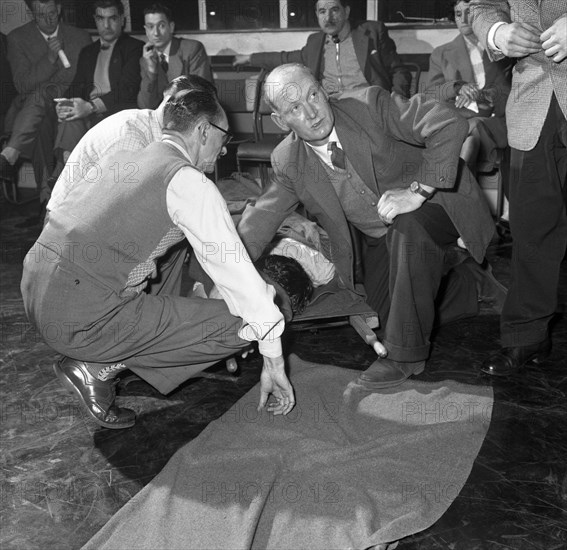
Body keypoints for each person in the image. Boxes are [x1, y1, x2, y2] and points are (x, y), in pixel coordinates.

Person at [21, 87, 295, 430]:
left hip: (34, 287)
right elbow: (242, 283)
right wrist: (273, 358)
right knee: (252, 319)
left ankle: (117, 350)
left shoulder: (124, 154)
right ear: (203, 130)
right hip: (79, 319)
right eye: (223, 138)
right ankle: (95, 366)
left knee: (170, 255)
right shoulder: (188, 182)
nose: (224, 148)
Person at [238, 63, 504, 388]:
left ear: (324, 90)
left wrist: (417, 191)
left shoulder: (369, 105)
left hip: (439, 203)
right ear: (281, 121)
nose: (312, 112)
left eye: (313, 95)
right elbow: (260, 221)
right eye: (295, 108)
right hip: (380, 235)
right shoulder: (287, 159)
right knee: (382, 317)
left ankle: (405, 358)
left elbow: (449, 122)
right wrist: (222, 271)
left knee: (409, 226)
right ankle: (471, 287)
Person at [470, 1, 567, 376]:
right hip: (532, 106)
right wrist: (497, 31)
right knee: (531, 230)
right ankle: (527, 336)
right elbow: (483, 5)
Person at [0, 0, 91, 217]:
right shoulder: (17, 38)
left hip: (66, 104)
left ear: (59, 9)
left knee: (42, 110)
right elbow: (22, 85)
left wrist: (55, 91)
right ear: (32, 13)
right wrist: (49, 58)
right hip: (31, 108)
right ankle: (51, 198)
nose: (49, 20)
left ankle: (14, 158)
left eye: (51, 13)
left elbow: (81, 79)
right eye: (41, 16)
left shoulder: (81, 37)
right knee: (39, 109)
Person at [233, 0, 411, 98]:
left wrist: (397, 99)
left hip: (369, 104)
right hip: (331, 108)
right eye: (322, 11)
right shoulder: (315, 42)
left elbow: (399, 71)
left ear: (346, 11)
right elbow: (285, 58)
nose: (328, 17)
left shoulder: (372, 32)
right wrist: (250, 58)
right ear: (317, 15)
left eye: (334, 10)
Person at [53, 0, 143, 172]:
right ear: (95, 20)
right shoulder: (88, 52)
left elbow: (127, 91)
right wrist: (63, 104)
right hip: (89, 116)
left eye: (112, 18)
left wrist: (91, 107)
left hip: (118, 115)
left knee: (74, 122)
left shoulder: (135, 48)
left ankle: (62, 178)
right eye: (101, 19)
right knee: (69, 118)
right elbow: (76, 87)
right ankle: (68, 173)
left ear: (122, 19)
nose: (106, 25)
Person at [425, 0, 513, 175]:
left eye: (469, 12)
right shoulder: (441, 54)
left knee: (469, 129)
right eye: (458, 14)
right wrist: (457, 88)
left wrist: (479, 96)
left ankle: (456, 179)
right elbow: (431, 94)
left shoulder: (502, 51)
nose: (464, 19)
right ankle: (457, 177)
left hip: (495, 122)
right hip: (456, 118)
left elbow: (507, 94)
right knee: (459, 130)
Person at [138, 2, 213, 109]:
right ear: (146, 30)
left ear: (171, 27)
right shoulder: (146, 59)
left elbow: (202, 97)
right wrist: (151, 72)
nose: (156, 33)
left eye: (161, 26)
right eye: (150, 27)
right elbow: (145, 106)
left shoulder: (192, 49)